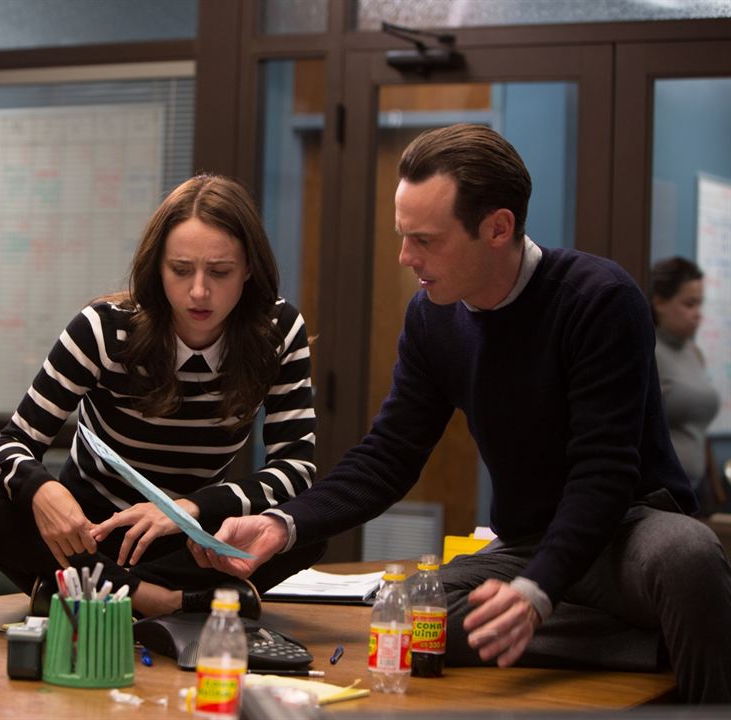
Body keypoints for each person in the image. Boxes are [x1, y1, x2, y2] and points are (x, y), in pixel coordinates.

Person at [191, 124, 731, 704]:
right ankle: (652, 644)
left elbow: (603, 473)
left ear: (497, 227)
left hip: (627, 533)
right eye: (403, 236)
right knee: (405, 617)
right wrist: (282, 524)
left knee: (688, 557)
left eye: (425, 240)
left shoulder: (598, 298)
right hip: (527, 540)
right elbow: (388, 457)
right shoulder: (431, 319)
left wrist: (536, 590)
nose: (405, 257)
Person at [0, 174, 322, 619]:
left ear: (249, 269)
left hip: (189, 539)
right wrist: (41, 489)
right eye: (181, 270)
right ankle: (157, 601)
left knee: (308, 527)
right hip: (89, 536)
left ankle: (86, 594)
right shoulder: (104, 329)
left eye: (220, 272)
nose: (199, 291)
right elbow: (10, 445)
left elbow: (296, 469)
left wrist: (189, 510)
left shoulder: (278, 332)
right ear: (157, 267)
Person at [650, 256, 723, 515]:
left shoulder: (694, 353)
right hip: (662, 496)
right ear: (660, 302)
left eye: (699, 304)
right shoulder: (649, 351)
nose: (697, 314)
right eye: (689, 304)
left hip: (698, 490)